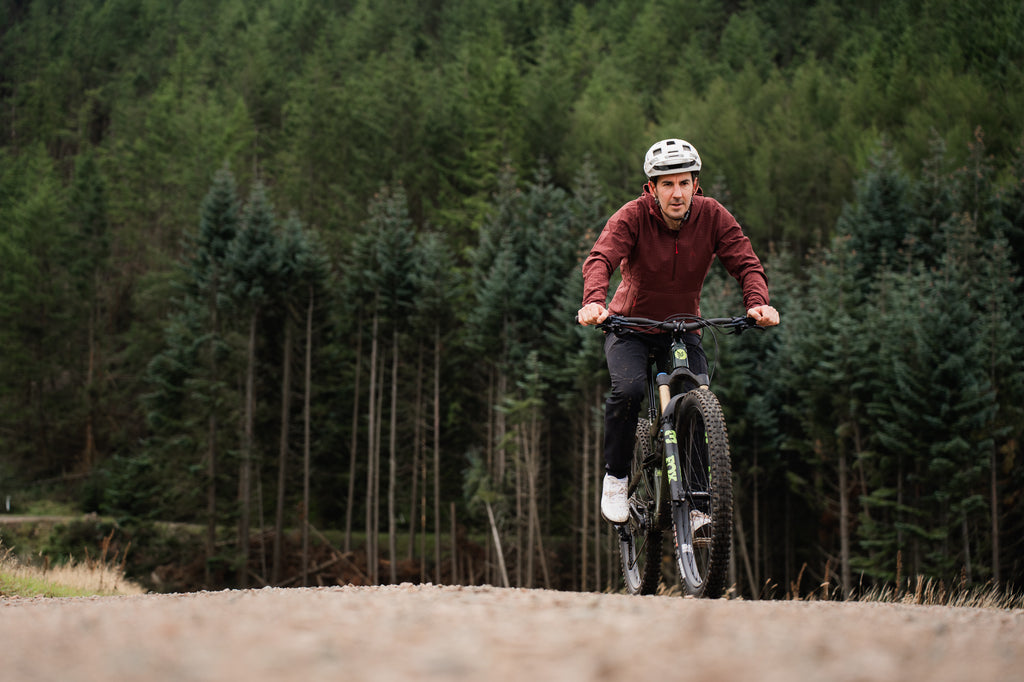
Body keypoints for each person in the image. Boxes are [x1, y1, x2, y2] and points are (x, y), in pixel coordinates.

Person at [577, 138, 780, 524]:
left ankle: (700, 505)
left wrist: (757, 302)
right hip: (629, 326)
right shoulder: (632, 216)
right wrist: (594, 302)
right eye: (667, 184)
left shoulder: (713, 216)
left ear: (695, 185)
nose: (677, 193)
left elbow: (746, 262)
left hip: (684, 326)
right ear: (651, 188)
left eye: (684, 183)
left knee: (696, 398)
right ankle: (617, 478)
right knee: (630, 389)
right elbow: (601, 258)